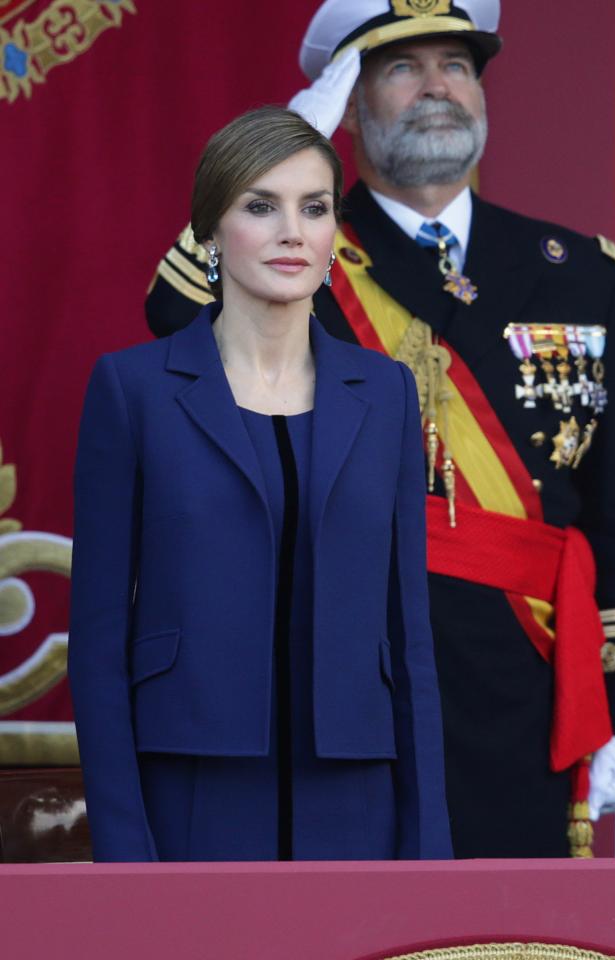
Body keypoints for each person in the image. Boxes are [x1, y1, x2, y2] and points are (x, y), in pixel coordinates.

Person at [143, 0, 615, 858]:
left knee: (507, 917)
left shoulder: (575, 268)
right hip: (346, 653)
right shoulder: (300, 249)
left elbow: (614, 499)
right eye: (402, 68)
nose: (437, 87)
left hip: (523, 672)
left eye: (456, 65)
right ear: (349, 106)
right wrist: (278, 157)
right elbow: (172, 314)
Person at [69, 107, 451, 862]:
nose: (292, 232)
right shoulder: (132, 389)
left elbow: (409, 639)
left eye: (314, 208)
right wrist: (123, 847)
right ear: (210, 229)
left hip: (355, 795)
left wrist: (427, 845)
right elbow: (99, 643)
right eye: (260, 206)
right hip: (190, 789)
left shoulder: (386, 393)